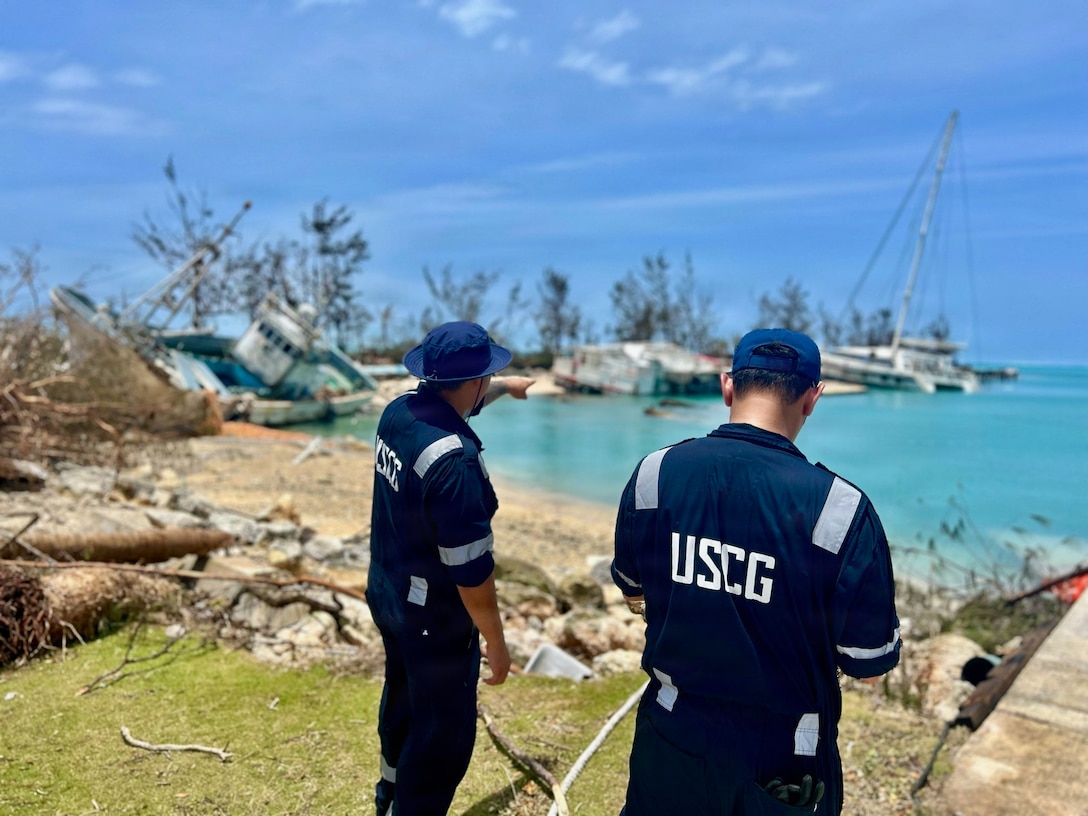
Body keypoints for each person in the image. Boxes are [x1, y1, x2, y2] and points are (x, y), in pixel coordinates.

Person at [611, 328, 901, 816]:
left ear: (728, 386)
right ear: (813, 398)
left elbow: (635, 589)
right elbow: (867, 661)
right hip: (785, 757)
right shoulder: (841, 509)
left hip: (672, 732)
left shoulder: (654, 474)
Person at [367, 320, 534, 816]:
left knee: (401, 702)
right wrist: (497, 643)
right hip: (434, 621)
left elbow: (461, 399)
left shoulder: (398, 412)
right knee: (441, 737)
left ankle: (389, 798)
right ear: (474, 382)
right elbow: (471, 572)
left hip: (388, 594)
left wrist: (508, 387)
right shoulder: (454, 462)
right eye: (488, 377)